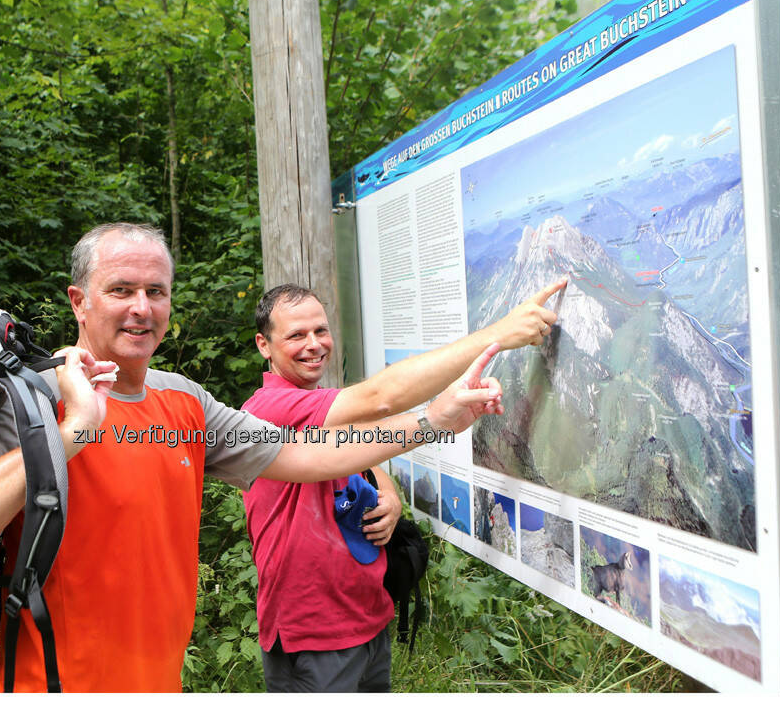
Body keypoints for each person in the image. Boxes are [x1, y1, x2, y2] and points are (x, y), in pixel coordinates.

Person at [0, 222, 507, 692]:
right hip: (54, 691)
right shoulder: (33, 401)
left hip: (162, 687)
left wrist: (435, 420)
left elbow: (305, 455)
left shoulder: (184, 401)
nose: (141, 306)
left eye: (155, 291)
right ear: (79, 302)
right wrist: (73, 431)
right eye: (121, 290)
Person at [241, 279, 565, 692]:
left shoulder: (322, 403)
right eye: (296, 335)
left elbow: (360, 449)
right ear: (264, 345)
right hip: (315, 633)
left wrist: (390, 496)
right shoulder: (267, 409)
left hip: (368, 617)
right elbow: (382, 398)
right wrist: (499, 335)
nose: (314, 344)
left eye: (320, 331)